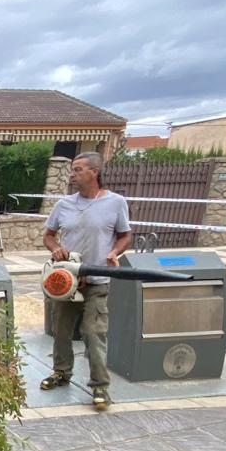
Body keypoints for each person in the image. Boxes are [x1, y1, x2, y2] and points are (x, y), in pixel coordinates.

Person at [41, 152, 132, 410]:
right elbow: (48, 236)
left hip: (97, 279)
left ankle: (100, 388)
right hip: (67, 280)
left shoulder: (116, 203)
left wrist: (115, 252)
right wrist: (55, 248)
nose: (72, 174)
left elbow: (125, 235)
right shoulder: (64, 205)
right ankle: (61, 373)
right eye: (72, 169)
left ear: (95, 172)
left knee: (93, 333)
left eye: (78, 169)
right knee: (60, 331)